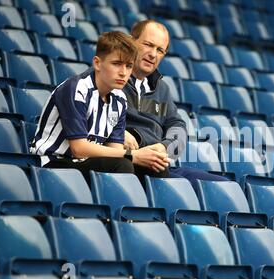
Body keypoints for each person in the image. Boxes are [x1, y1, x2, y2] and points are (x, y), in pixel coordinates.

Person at [30, 31, 170, 183]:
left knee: (156, 167)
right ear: (97, 63)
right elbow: (79, 149)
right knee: (122, 165)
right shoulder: (76, 89)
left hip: (89, 161)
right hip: (54, 162)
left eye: (129, 66)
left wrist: (142, 156)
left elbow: (115, 149)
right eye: (116, 64)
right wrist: (132, 156)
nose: (123, 73)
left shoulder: (119, 99)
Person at [123, 19, 228, 187]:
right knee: (179, 187)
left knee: (224, 186)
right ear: (130, 42)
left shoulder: (161, 88)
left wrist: (165, 147)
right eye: (148, 45)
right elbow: (90, 114)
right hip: (130, 162)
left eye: (160, 50)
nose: (153, 54)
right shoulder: (110, 76)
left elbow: (177, 125)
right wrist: (118, 132)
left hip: (159, 164)